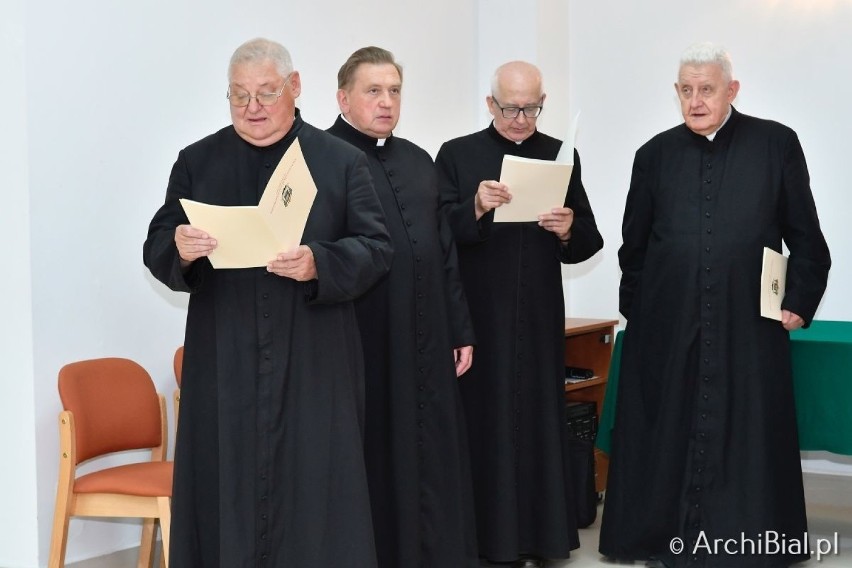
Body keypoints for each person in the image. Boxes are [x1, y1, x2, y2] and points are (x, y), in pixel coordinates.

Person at [143, 37, 393, 567]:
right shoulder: (198, 161)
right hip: (225, 361)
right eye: (239, 96)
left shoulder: (341, 162)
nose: (252, 108)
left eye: (265, 93)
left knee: (315, 487)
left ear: (295, 87)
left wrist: (319, 262)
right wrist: (180, 249)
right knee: (225, 484)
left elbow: (377, 249)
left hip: (314, 362)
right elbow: (158, 244)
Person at [598, 42, 831, 568]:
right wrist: (641, 312)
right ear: (676, 92)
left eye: (706, 89)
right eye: (686, 89)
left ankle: (747, 542)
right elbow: (633, 247)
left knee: (747, 429)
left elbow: (807, 238)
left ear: (732, 89)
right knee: (668, 429)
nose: (696, 100)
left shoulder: (776, 143)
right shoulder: (653, 154)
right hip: (669, 321)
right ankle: (659, 538)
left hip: (749, 321)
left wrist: (799, 300)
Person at [435, 61, 604, 567]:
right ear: (490, 104)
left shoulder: (558, 154)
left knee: (538, 424)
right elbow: (436, 235)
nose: (522, 119)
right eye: (511, 108)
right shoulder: (457, 155)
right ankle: (487, 541)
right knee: (484, 425)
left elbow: (589, 240)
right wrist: (477, 208)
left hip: (537, 317)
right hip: (479, 318)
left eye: (532, 107)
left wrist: (568, 226)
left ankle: (544, 537)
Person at [327, 46, 479, 568]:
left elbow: (445, 253)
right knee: (375, 452)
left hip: (429, 333)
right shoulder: (322, 158)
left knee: (430, 448)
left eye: (394, 91)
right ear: (343, 97)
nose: (386, 102)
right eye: (373, 91)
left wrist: (460, 328)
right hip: (362, 335)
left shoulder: (418, 159)